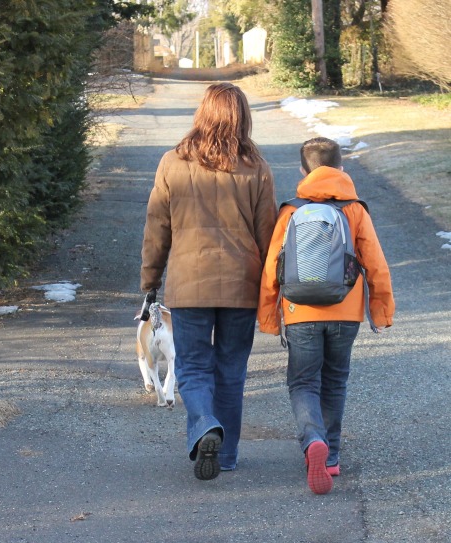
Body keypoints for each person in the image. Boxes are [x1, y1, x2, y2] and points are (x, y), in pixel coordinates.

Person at [140, 82, 277, 481]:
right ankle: (228, 453)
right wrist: (274, 288)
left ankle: (203, 425)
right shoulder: (256, 168)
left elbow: (156, 229)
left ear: (202, 113)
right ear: (242, 118)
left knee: (195, 367)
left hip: (189, 284)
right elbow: (269, 235)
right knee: (231, 370)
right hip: (242, 283)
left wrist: (150, 281)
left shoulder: (172, 162)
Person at [257, 137, 395, 495]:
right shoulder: (355, 210)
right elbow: (376, 264)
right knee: (335, 381)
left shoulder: (291, 210)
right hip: (345, 312)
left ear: (304, 171)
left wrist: (270, 318)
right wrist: (380, 312)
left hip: (300, 311)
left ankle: (312, 439)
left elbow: (273, 267)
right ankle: (330, 455)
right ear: (342, 169)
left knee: (303, 382)